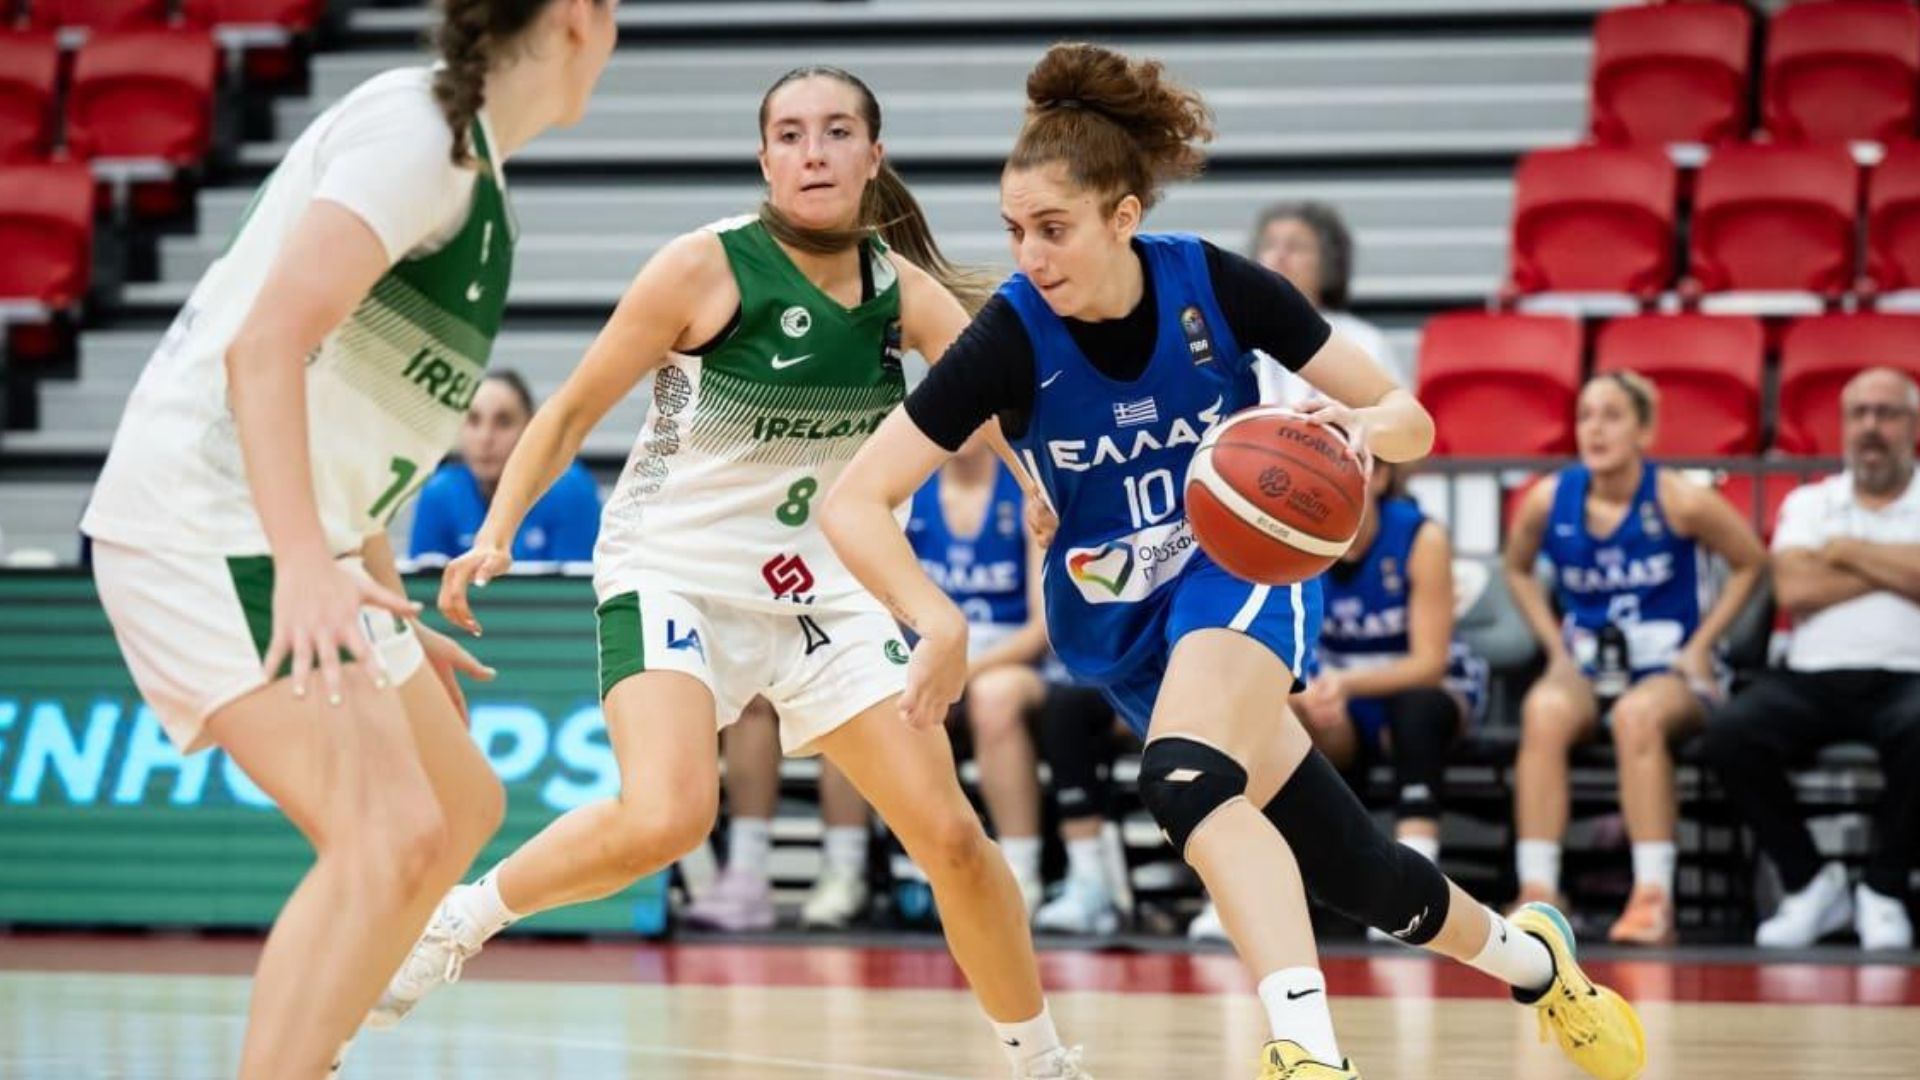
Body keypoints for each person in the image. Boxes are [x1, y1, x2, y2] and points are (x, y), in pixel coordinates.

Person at [822, 41, 1646, 1080]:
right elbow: (854, 502)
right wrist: (936, 617)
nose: (1029, 255)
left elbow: (1412, 417)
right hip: (1119, 624)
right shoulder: (1011, 337)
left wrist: (1358, 431)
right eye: (1014, 230)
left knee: (1184, 778)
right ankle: (1540, 964)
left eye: (1053, 228)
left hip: (1238, 567)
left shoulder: (1211, 283)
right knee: (1358, 872)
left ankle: (1306, 1053)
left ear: (1124, 216)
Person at [372, 66, 1090, 1080]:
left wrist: (1034, 484)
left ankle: (1043, 1061)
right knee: (667, 817)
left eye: (836, 132)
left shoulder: (902, 290)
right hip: (676, 571)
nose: (813, 152)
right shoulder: (701, 267)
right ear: (764, 159)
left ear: (872, 157)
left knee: (953, 840)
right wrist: (498, 529)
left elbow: (991, 396)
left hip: (822, 589)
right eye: (790, 134)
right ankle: (461, 920)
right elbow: (570, 412)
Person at [75, 0, 618, 1073]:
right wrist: (299, 563)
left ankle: (308, 1052)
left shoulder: (476, 180)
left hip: (303, 534)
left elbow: (358, 432)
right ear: (573, 18)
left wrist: (387, 602)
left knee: (460, 805)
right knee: (385, 839)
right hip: (207, 518)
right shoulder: (417, 132)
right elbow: (265, 347)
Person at [1504, 372, 1765, 945]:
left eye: (1612, 416)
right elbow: (1516, 568)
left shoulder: (1679, 498)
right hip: (1588, 662)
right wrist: (1554, 647)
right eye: (1585, 416)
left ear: (1644, 431)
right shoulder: (1549, 499)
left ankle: (1652, 896)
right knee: (1543, 709)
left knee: (1636, 716)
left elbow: (1752, 561)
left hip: (1669, 666)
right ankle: (1538, 891)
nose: (1595, 429)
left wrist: (1702, 645)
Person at [1702, 368, 1920, 951]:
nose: (1871, 426)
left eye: (1887, 413)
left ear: (1913, 425)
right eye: (1859, 413)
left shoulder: (1848, 520)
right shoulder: (1809, 501)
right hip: (1811, 676)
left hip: (1910, 676)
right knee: (1730, 732)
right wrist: (1899, 567)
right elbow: (1794, 587)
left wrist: (1845, 551)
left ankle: (1885, 889)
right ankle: (1810, 885)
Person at [409, 369, 602, 563]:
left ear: (531, 428)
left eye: (503, 422)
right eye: (473, 420)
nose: (485, 438)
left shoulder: (571, 490)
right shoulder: (438, 492)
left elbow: (581, 581)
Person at [1247, 201, 1408, 403]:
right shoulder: (1233, 334)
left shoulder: (1364, 341)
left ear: (1329, 261)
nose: (1278, 257)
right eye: (1269, 245)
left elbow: (1397, 415)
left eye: (1296, 247)